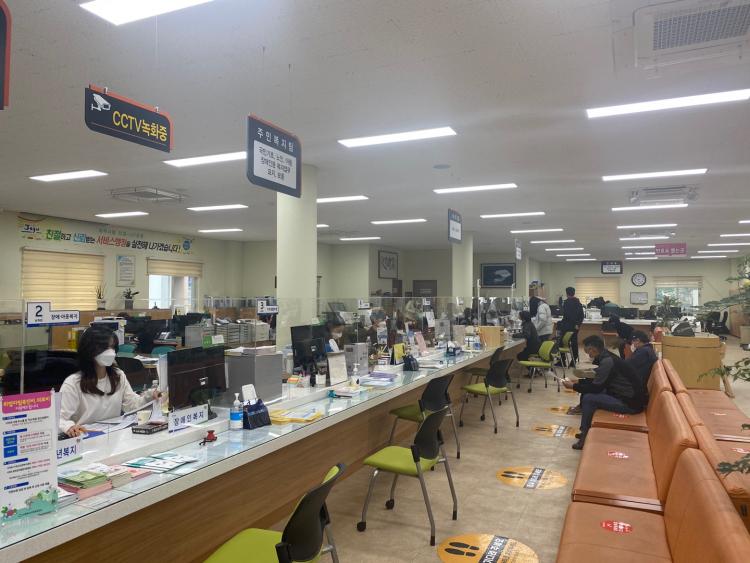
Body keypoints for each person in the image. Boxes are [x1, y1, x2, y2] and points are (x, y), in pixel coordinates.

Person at [59, 326, 159, 437]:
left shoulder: (118, 376)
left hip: (113, 435)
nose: (110, 352)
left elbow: (132, 405)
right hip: (85, 437)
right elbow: (59, 418)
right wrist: (69, 427)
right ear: (89, 350)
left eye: (112, 347)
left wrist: (150, 396)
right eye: (104, 347)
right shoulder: (73, 383)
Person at [563, 335, 646, 450]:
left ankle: (585, 436)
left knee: (589, 398)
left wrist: (573, 386)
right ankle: (585, 431)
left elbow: (596, 388)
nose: (588, 355)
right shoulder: (608, 357)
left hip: (630, 403)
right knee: (589, 394)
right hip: (626, 397)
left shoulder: (607, 361)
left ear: (593, 349)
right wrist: (578, 382)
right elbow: (598, 380)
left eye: (587, 351)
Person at [559, 286, 584, 366]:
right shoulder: (578, 303)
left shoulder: (566, 303)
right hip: (575, 327)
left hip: (567, 326)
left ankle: (562, 360)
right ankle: (574, 360)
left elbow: (565, 314)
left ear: (567, 294)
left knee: (561, 343)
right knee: (574, 344)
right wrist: (578, 324)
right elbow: (582, 316)